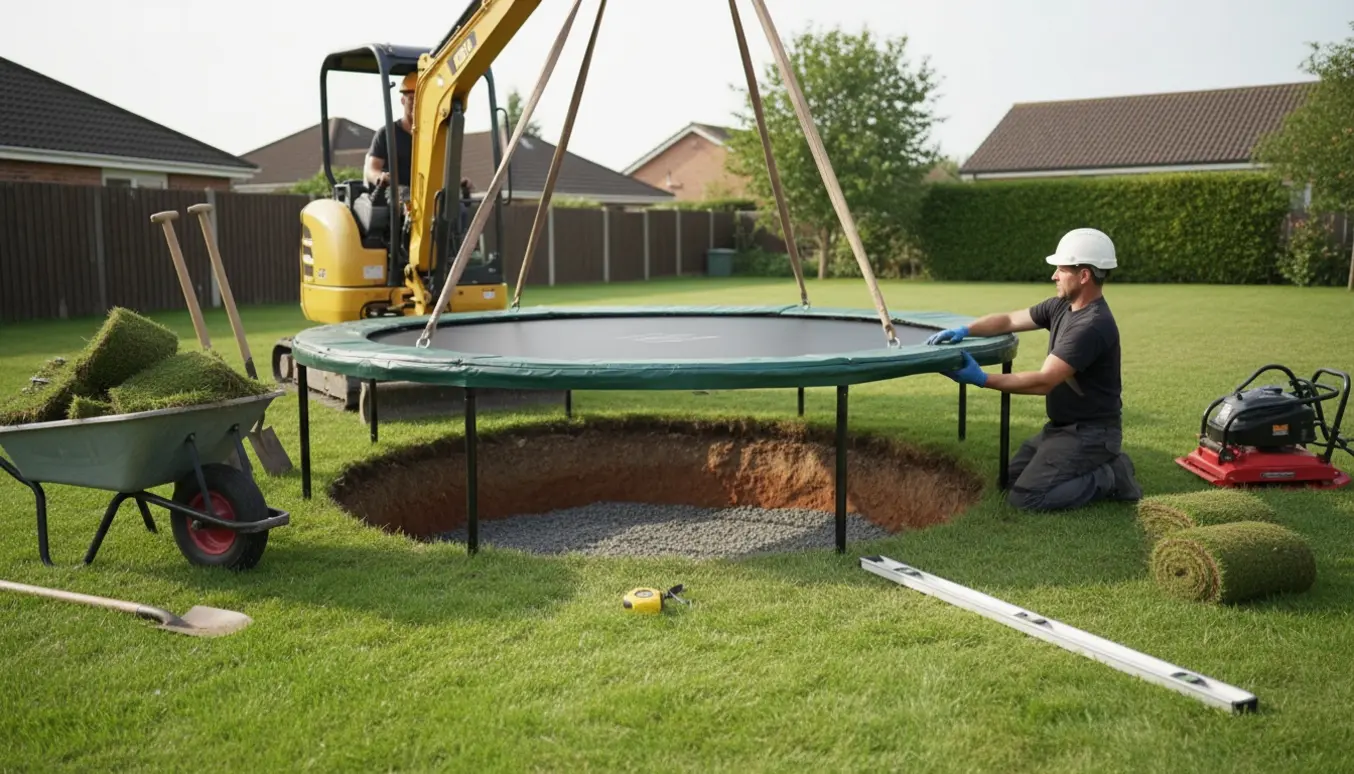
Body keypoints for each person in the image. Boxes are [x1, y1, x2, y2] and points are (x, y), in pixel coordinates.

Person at [928, 227, 1142, 510]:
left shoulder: (1091, 325)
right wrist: (965, 329)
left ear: (1084, 275)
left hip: (1091, 433)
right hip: (1061, 428)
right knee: (1010, 480)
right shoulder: (1060, 307)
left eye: (1060, 269)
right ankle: (1097, 466)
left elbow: (1044, 382)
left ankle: (1110, 474)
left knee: (1026, 498)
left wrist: (981, 378)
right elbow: (1007, 320)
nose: (1054, 275)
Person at [364, 72, 416, 190]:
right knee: (404, 195)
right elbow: (372, 169)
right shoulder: (386, 134)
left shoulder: (431, 136)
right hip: (392, 194)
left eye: (420, 100)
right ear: (403, 101)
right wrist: (379, 177)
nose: (415, 105)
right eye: (411, 99)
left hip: (424, 194)